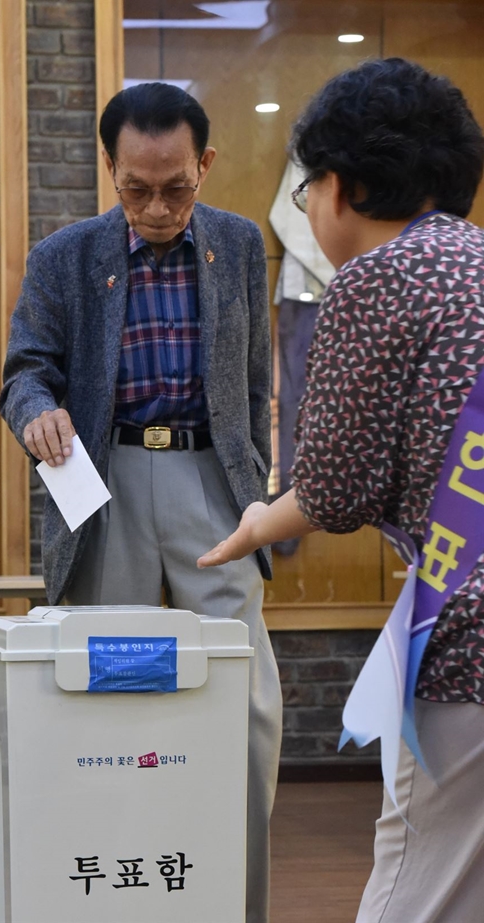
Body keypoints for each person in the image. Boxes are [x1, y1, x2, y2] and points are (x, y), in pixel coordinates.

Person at [198, 57, 484, 923]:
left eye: (306, 188)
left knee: (420, 883)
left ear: (341, 187)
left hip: (469, 633)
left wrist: (254, 524)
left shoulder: (374, 280)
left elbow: (334, 489)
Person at [0, 82, 282, 923]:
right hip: (106, 479)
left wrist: (257, 491)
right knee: (101, 690)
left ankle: (238, 900)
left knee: (246, 701)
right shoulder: (66, 255)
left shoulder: (235, 245)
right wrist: (35, 413)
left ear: (205, 163)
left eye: (176, 186)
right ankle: (110, 892)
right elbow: (24, 371)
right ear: (110, 168)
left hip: (211, 483)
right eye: (136, 188)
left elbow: (255, 378)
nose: (157, 206)